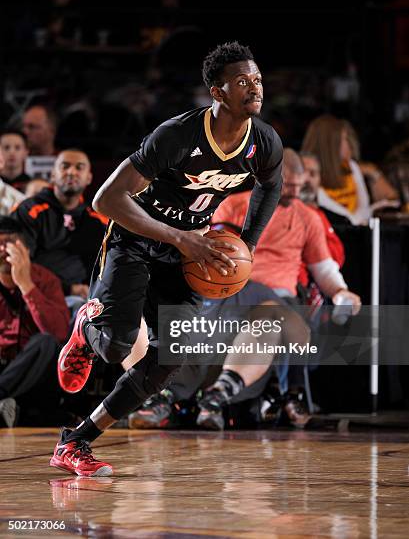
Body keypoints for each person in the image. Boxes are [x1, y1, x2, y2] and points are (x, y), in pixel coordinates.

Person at [49, 41, 283, 476]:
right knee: (118, 343)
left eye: (258, 79)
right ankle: (87, 326)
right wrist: (180, 237)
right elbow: (106, 198)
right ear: (217, 92)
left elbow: (271, 187)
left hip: (185, 253)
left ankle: (76, 441)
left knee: (169, 358)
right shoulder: (178, 134)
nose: (255, 88)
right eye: (242, 81)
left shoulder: (263, 142)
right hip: (136, 239)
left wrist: (247, 244)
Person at [131, 150, 361, 431]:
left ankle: (211, 395)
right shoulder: (233, 205)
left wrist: (341, 292)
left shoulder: (308, 217)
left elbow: (323, 268)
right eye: (288, 185)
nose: (294, 192)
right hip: (227, 285)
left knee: (269, 316)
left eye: (299, 187)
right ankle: (166, 392)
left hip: (277, 295)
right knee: (172, 314)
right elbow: (207, 247)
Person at [0, 217, 69, 427]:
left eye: (8, 243)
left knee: (46, 342)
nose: (2, 250)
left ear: (26, 250)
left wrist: (26, 285)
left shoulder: (46, 280)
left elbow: (58, 333)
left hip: (32, 374)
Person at [12, 149, 107, 300]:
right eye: (65, 166)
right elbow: (17, 264)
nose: (71, 172)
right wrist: (68, 289)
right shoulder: (29, 210)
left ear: (89, 178)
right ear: (53, 175)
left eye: (79, 167)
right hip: (37, 295)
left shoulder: (99, 220)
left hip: (87, 297)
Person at [301, 115, 398, 224]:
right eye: (344, 139)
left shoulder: (352, 168)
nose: (350, 144)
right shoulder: (308, 178)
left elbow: (365, 207)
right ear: (330, 145)